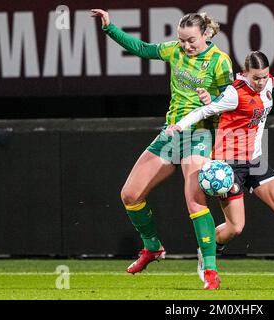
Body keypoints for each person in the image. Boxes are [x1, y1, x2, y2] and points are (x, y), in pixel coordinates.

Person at [91, 9, 234, 290]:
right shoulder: (174, 51)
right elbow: (144, 49)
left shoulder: (219, 61)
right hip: (171, 133)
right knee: (130, 195)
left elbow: (232, 100)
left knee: (194, 200)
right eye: (181, 40)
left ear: (205, 33)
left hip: (199, 134)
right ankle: (153, 247)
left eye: (191, 40)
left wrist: (213, 98)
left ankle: (211, 271)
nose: (186, 46)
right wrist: (110, 28)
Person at [166, 51, 274, 281]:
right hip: (229, 165)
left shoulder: (267, 84)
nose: (261, 82)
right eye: (256, 78)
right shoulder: (234, 93)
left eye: (264, 76)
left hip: (255, 160)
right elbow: (204, 111)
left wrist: (271, 82)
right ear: (245, 74)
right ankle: (208, 251)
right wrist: (179, 125)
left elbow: (269, 83)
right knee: (235, 228)